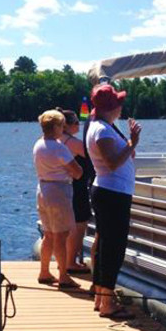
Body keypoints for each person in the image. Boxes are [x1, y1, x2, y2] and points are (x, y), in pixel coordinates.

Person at [85, 83, 141, 320]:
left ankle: (101, 296)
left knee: (107, 245)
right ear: (112, 107)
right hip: (112, 194)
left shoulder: (103, 126)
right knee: (113, 248)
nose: (121, 107)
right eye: (118, 103)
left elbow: (119, 158)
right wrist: (132, 142)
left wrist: (128, 145)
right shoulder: (103, 131)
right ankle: (107, 301)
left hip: (110, 192)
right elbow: (112, 162)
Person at [33, 109, 83, 289]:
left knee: (48, 234)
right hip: (58, 191)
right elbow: (77, 172)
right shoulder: (59, 147)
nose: (63, 128)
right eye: (62, 125)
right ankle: (63, 276)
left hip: (42, 189)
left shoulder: (38, 144)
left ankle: (44, 271)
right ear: (55, 127)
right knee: (61, 236)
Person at [57, 108, 93, 274]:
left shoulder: (56, 140)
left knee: (66, 227)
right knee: (79, 226)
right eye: (77, 122)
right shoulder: (72, 142)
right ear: (67, 126)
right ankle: (70, 262)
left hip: (63, 187)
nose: (80, 125)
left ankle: (63, 261)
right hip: (77, 188)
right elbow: (93, 154)